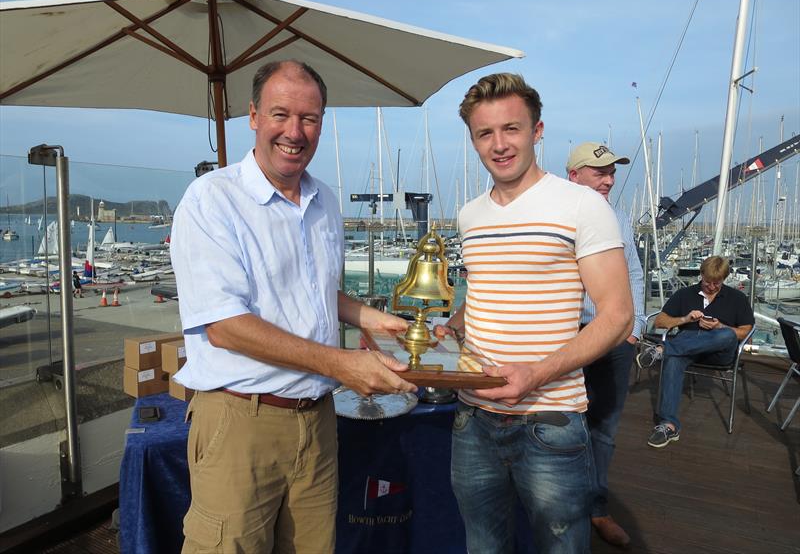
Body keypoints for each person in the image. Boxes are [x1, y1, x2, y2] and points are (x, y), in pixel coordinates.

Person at [169, 60, 416, 554]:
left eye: (310, 118)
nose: (295, 132)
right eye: (281, 114)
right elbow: (224, 326)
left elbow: (317, 291)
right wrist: (344, 365)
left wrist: (372, 318)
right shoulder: (210, 199)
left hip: (318, 421)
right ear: (254, 116)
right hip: (241, 421)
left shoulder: (324, 199)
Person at [434, 73, 633, 553]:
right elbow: (481, 293)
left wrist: (536, 373)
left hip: (551, 420)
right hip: (473, 419)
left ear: (537, 130)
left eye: (512, 129)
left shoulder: (583, 206)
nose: (499, 144)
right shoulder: (469, 215)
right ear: (473, 139)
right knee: (483, 545)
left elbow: (618, 315)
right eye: (485, 133)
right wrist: (444, 331)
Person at [567, 142, 645, 548]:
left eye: (612, 171)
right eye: (599, 171)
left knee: (605, 429)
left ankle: (597, 510)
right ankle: (561, 507)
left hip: (615, 338)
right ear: (573, 175)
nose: (609, 179)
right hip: (568, 335)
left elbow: (633, 270)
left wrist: (636, 325)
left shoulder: (620, 218)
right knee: (561, 422)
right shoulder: (556, 215)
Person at [638, 255, 754, 448]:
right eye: (708, 282)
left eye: (717, 283)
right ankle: (668, 425)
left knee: (727, 335)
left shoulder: (737, 298)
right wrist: (685, 319)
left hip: (719, 352)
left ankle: (662, 350)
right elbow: (659, 321)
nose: (711, 287)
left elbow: (745, 332)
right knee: (674, 359)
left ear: (724, 280)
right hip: (687, 349)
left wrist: (720, 327)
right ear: (701, 275)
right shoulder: (686, 294)